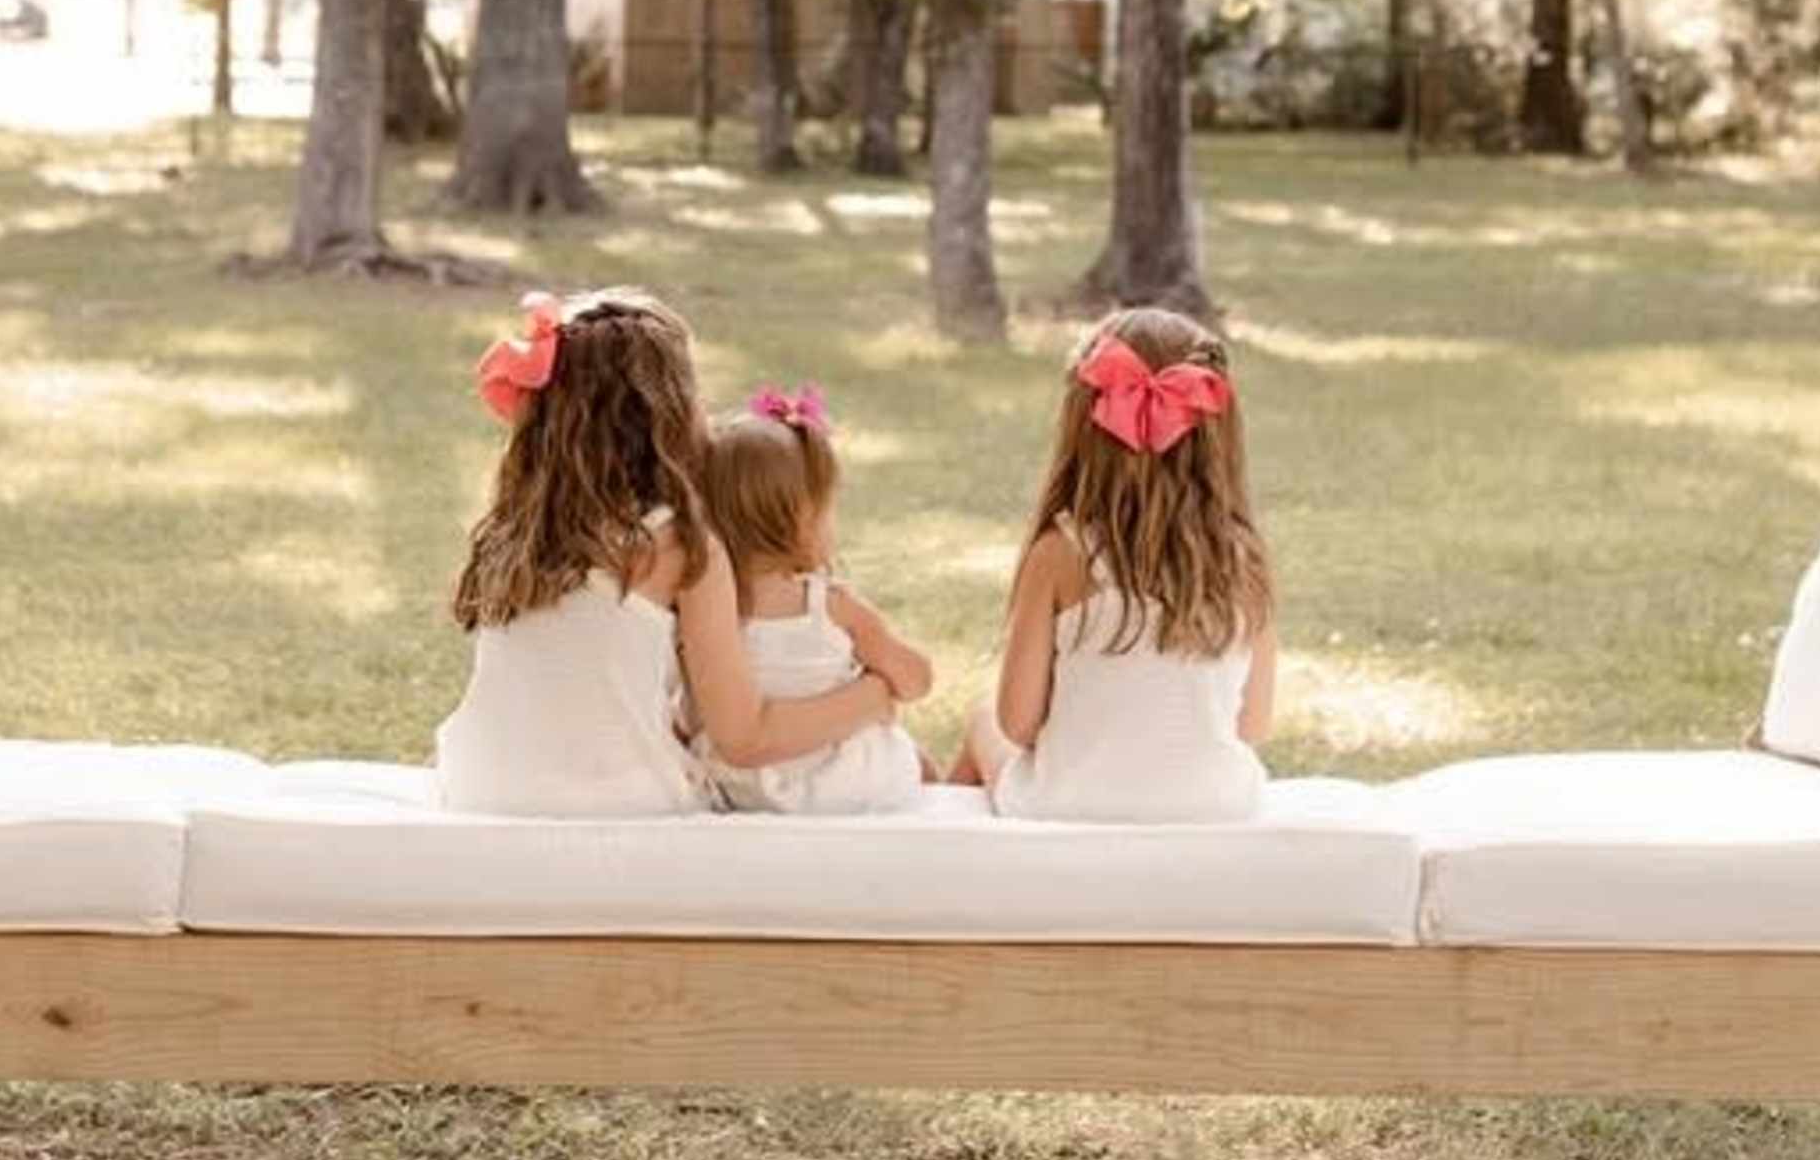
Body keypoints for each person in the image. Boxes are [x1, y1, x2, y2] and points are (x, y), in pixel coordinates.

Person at [434, 290, 903, 816]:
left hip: (478, 784)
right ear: (667, 417)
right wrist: (875, 697)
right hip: (618, 804)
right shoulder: (682, 546)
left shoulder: (516, 532)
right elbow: (745, 739)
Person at [957, 308, 1277, 822]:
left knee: (982, 724)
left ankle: (958, 864)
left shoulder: (1058, 555)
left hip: (1069, 805)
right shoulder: (1243, 558)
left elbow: (1017, 725)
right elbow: (1253, 725)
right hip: (1216, 805)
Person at [692, 385, 932, 812]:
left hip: (745, 791)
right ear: (800, 521)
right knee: (912, 755)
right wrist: (884, 686)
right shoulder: (831, 606)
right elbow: (915, 681)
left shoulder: (704, 614)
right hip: (845, 787)